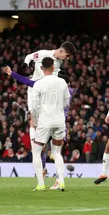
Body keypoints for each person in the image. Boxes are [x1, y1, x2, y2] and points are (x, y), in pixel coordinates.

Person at [2, 66, 73, 190]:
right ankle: (54, 177)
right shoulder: (64, 88)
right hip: (59, 123)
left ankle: (48, 180)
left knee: (43, 151)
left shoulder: (56, 87)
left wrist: (12, 74)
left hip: (45, 122)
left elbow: (30, 83)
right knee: (51, 153)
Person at [21, 41, 76, 162]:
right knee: (33, 119)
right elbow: (29, 56)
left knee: (44, 119)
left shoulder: (58, 64)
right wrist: (25, 64)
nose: (67, 59)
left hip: (45, 94)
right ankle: (35, 148)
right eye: (67, 55)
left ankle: (44, 148)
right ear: (61, 50)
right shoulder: (43, 54)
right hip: (34, 90)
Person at [30, 57, 70, 191]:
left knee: (36, 152)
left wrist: (35, 121)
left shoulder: (38, 84)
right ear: (53, 67)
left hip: (45, 121)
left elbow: (34, 107)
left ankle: (41, 184)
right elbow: (66, 103)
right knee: (57, 152)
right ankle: (62, 181)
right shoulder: (62, 82)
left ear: (41, 68)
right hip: (59, 121)